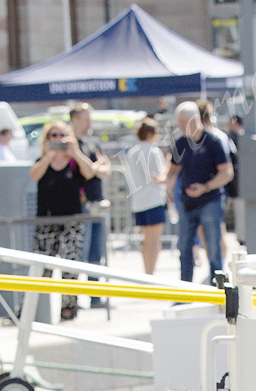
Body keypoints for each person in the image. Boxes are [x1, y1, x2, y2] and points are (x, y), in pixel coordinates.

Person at [28, 120, 91, 320]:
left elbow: (90, 173)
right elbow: (34, 175)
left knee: (70, 267)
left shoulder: (74, 161)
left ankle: (69, 308)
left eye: (62, 135)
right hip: (45, 221)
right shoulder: (43, 160)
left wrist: (75, 152)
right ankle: (34, 311)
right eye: (53, 135)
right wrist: (49, 156)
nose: (58, 139)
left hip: (71, 221)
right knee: (42, 269)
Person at [167, 101, 232, 284]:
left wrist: (206, 187)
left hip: (210, 201)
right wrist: (168, 186)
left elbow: (227, 173)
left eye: (183, 123)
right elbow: (173, 169)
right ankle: (185, 288)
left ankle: (216, 286)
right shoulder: (181, 142)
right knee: (184, 247)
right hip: (187, 202)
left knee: (213, 246)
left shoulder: (213, 142)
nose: (180, 127)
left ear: (195, 120)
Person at [68, 103, 113, 307]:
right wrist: (95, 168)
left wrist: (94, 168)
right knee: (80, 253)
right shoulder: (71, 144)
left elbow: (106, 168)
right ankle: (74, 299)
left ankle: (95, 296)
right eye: (86, 118)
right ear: (75, 119)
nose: (89, 122)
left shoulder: (93, 143)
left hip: (97, 204)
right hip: (80, 206)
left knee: (96, 253)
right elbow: (86, 172)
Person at [123, 118, 169, 277]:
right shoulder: (153, 151)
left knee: (147, 240)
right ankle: (151, 274)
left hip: (138, 201)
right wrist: (169, 165)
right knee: (155, 241)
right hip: (153, 200)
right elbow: (160, 178)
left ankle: (147, 273)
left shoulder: (132, 151)